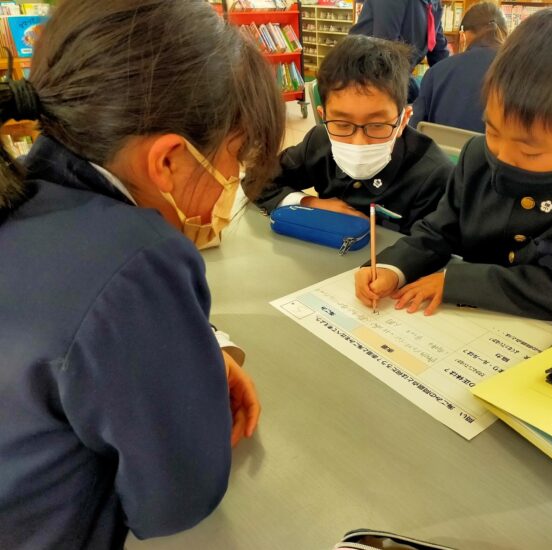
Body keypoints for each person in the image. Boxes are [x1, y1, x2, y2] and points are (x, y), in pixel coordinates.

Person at [0, 0, 284, 548]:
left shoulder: (25, 188)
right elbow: (176, 500)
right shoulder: (139, 260)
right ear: (169, 160)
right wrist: (188, 390)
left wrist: (190, 349)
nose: (235, 180)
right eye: (235, 157)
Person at [355, 7, 552, 322]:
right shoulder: (477, 154)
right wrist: (395, 267)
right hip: (478, 323)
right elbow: (439, 230)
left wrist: (457, 282)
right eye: (493, 130)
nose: (501, 156)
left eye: (530, 151)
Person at [252, 35, 452, 235]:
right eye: (342, 124)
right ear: (323, 117)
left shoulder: (435, 176)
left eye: (377, 125)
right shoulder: (319, 141)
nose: (359, 142)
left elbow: (434, 247)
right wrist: (309, 202)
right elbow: (257, 180)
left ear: (404, 120)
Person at [410, 1, 508, 133]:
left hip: (443, 152)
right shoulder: (521, 72)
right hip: (497, 153)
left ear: (462, 36)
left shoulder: (436, 73)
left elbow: (414, 129)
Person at [349, 0, 450, 103]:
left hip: (392, 76)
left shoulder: (433, 4)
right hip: (362, 78)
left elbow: (439, 53)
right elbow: (385, 51)